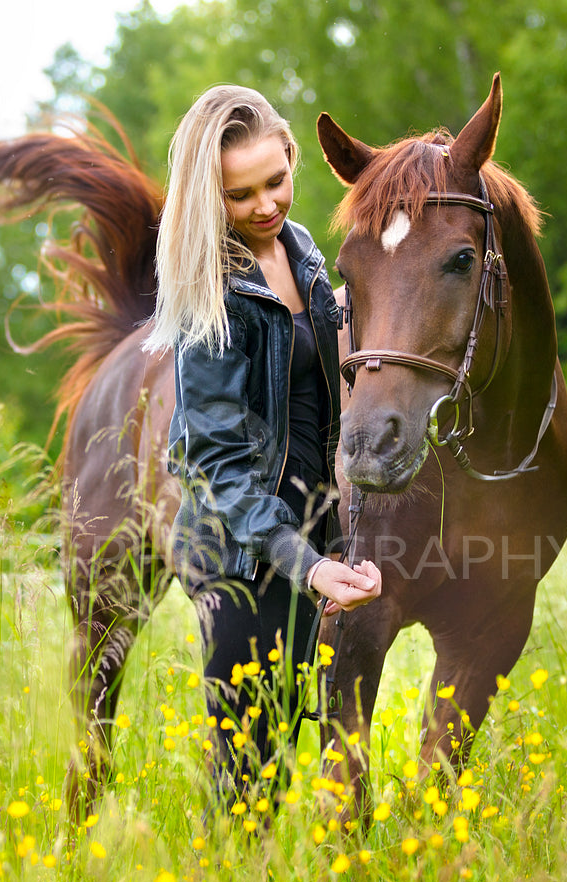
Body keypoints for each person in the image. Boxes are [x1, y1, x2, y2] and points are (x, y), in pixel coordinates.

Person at [143, 85, 383, 803]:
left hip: (319, 539)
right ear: (208, 198)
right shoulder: (209, 293)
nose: (265, 206)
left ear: (290, 153)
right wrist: (302, 566)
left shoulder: (304, 249)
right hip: (243, 559)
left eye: (274, 181)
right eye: (238, 195)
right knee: (251, 790)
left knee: (344, 758)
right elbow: (216, 466)